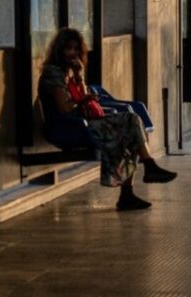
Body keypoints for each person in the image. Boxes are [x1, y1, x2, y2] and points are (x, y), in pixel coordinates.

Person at [38, 28, 177, 211]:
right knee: (130, 122)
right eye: (68, 49)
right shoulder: (53, 74)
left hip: (80, 124)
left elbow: (81, 101)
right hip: (68, 128)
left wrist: (80, 78)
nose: (72, 53)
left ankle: (130, 192)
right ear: (59, 50)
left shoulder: (68, 73)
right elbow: (65, 108)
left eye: (76, 49)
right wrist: (83, 100)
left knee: (130, 130)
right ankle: (146, 170)